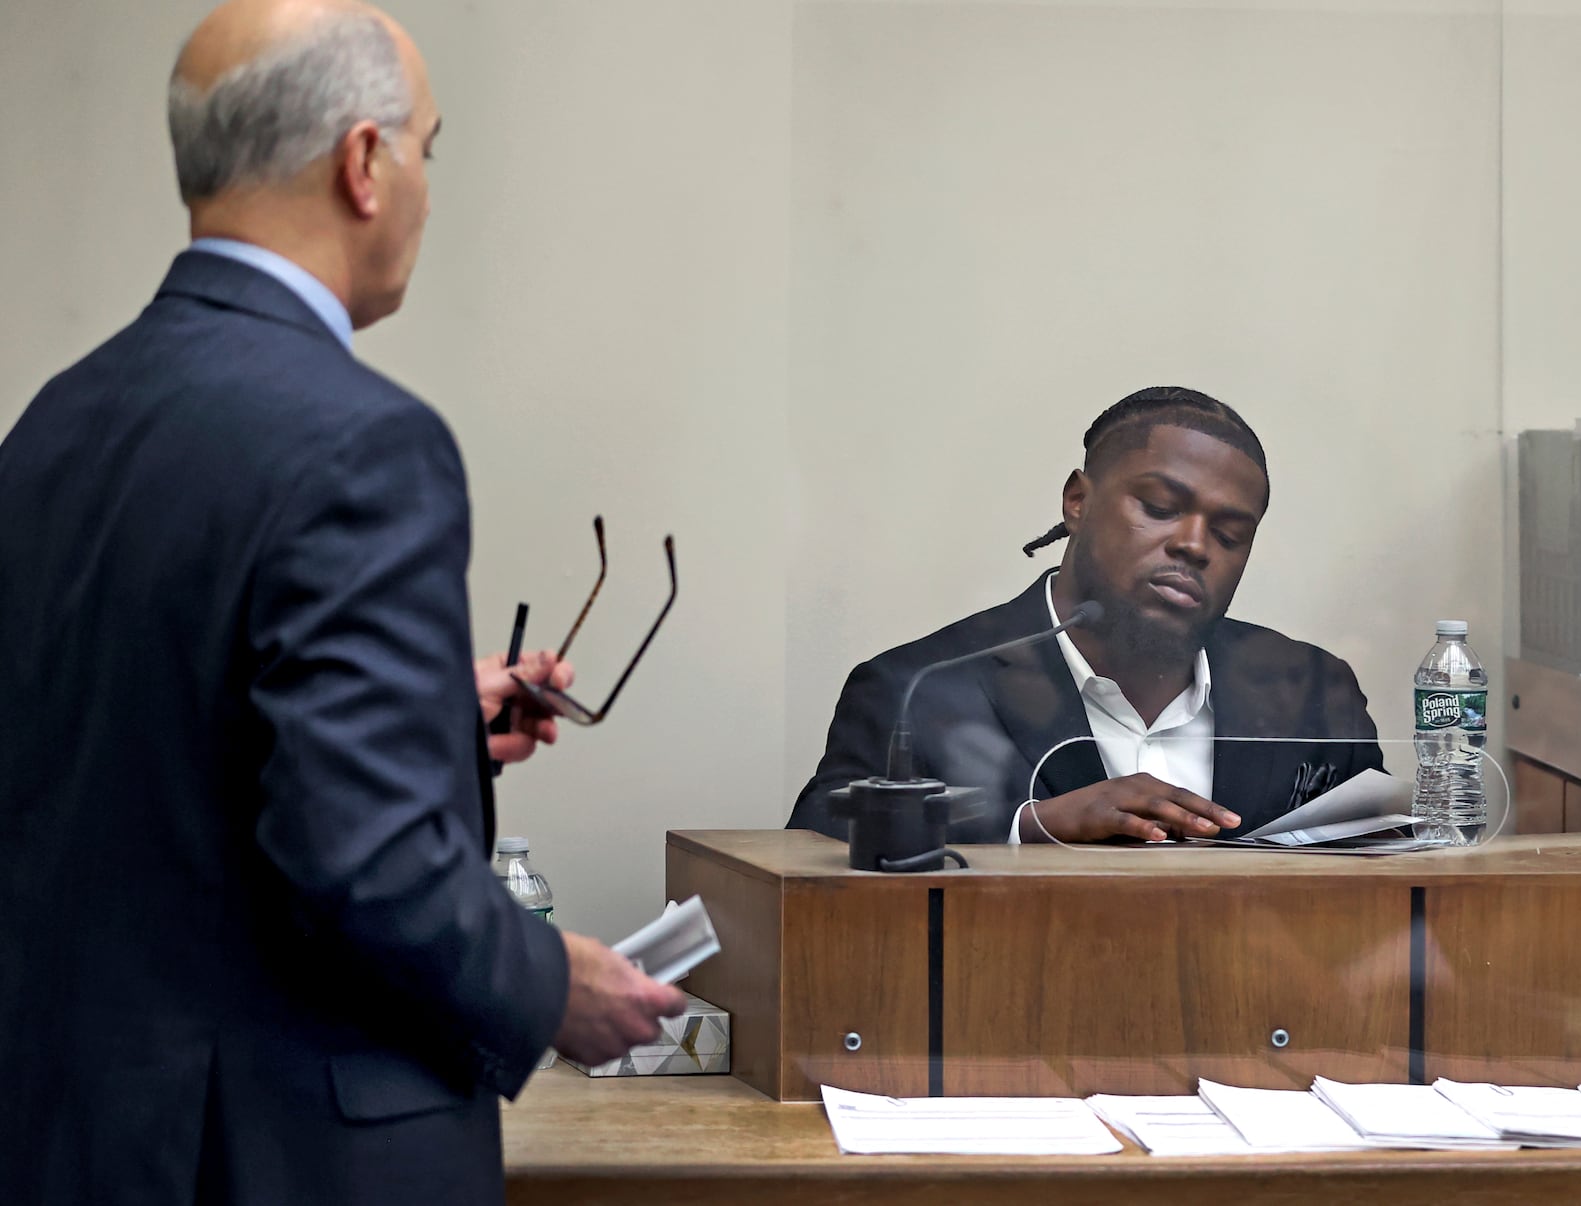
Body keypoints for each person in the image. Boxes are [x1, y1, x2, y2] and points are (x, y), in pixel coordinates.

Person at [0, 3, 682, 1204]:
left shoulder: (56, 420)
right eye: (428, 145)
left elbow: (113, 744)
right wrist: (546, 985)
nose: (427, 185)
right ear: (365, 163)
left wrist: (421, 722)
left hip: (80, 1134)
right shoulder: (364, 443)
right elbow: (361, 866)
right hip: (277, 1151)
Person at [789, 386, 1382, 845]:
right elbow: (817, 846)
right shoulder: (921, 689)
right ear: (1078, 500)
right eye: (1159, 507)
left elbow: (1386, 867)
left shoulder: (1310, 691)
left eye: (1230, 535)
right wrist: (1031, 826)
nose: (1195, 546)